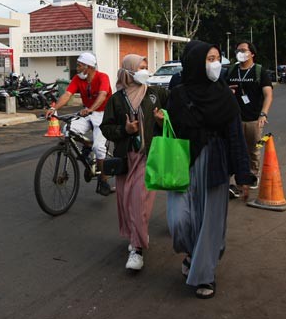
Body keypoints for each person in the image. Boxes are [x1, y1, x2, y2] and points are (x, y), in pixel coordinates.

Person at [166, 41, 253, 299]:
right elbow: (171, 134)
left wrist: (243, 175)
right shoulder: (178, 95)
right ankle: (194, 254)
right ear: (195, 62)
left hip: (215, 164)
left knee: (210, 224)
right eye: (209, 58)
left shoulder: (224, 95)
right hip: (184, 163)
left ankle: (205, 275)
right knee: (179, 221)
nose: (216, 64)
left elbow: (236, 136)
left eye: (217, 58)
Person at [100, 54, 167, 271]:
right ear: (128, 71)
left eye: (146, 67)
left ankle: (137, 249)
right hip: (125, 158)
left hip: (148, 156)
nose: (145, 71)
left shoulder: (156, 94)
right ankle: (136, 234)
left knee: (139, 201)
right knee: (125, 201)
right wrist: (125, 130)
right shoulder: (116, 99)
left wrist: (162, 120)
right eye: (140, 67)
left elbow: (172, 115)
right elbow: (106, 128)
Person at [46, 52, 115, 195]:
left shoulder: (103, 77)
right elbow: (67, 94)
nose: (76, 68)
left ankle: (103, 180)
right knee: (67, 130)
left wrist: (90, 109)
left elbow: (102, 95)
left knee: (99, 147)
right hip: (88, 114)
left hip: (104, 115)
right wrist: (54, 108)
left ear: (88, 67)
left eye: (79, 65)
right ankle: (87, 146)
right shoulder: (77, 79)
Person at [226, 41, 273, 186]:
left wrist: (263, 114)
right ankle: (235, 178)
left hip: (254, 119)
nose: (240, 52)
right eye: (238, 50)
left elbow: (268, 95)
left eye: (244, 50)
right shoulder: (231, 70)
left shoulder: (259, 71)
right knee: (234, 149)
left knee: (254, 149)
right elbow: (221, 91)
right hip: (233, 119)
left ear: (252, 53)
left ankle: (253, 175)